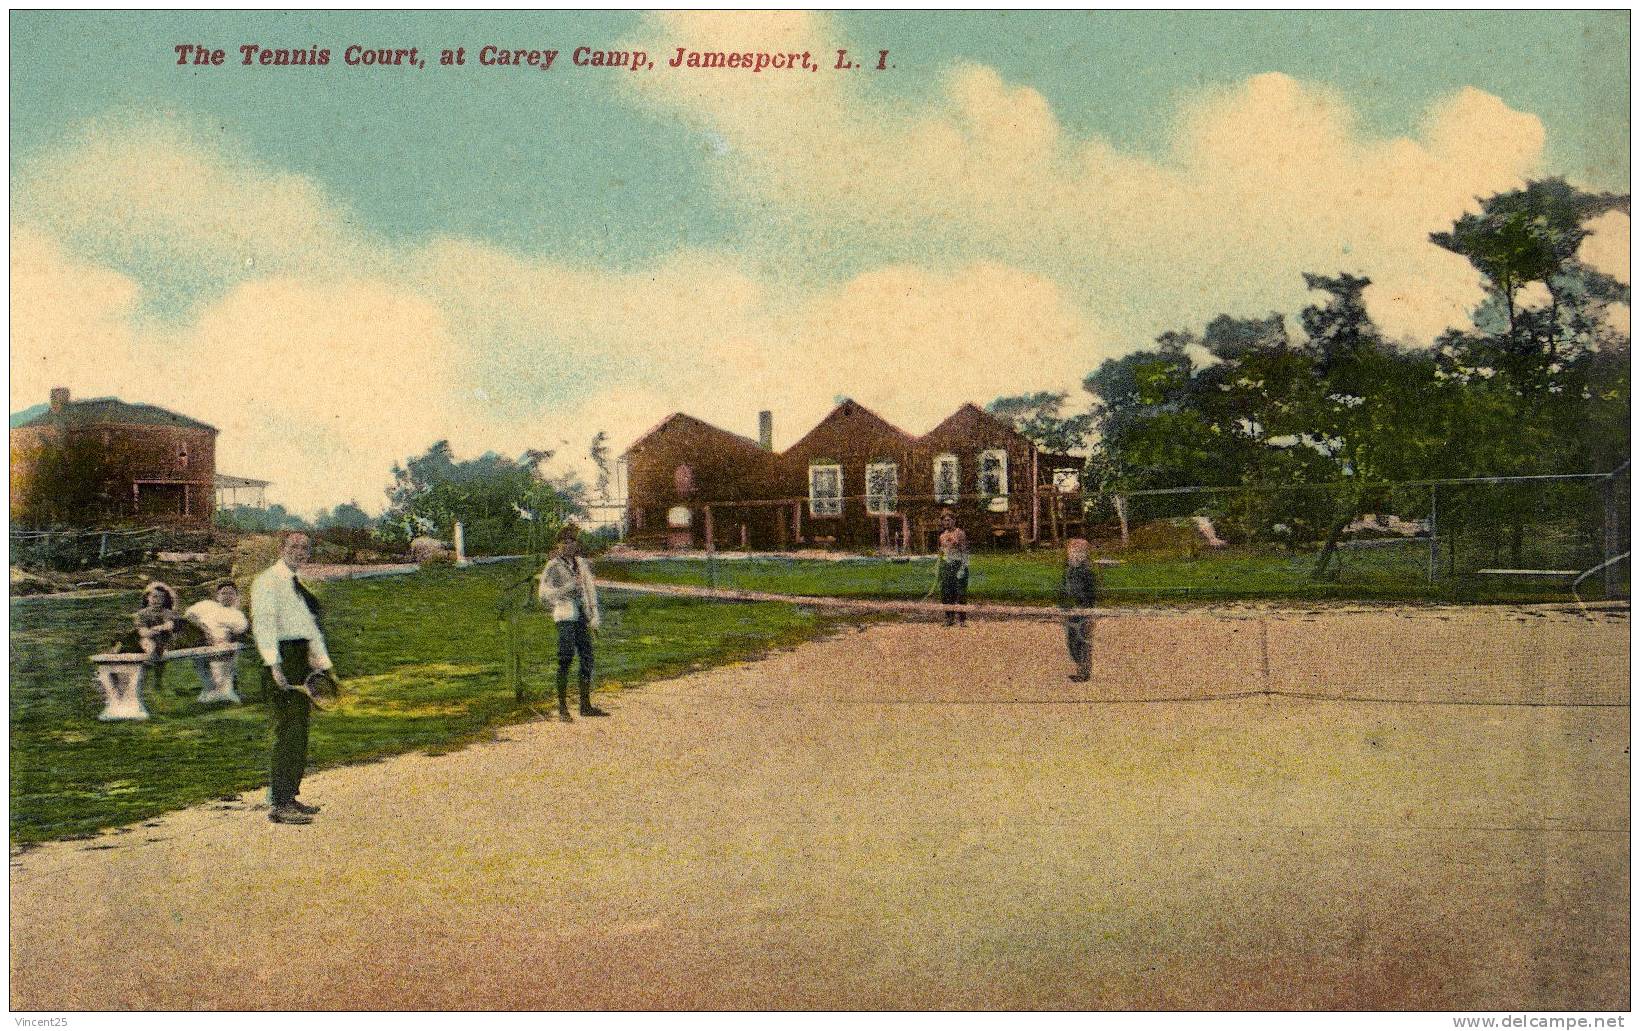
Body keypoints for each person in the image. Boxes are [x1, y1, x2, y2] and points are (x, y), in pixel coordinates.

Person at [251, 533, 333, 825]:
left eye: (305, 548)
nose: (300, 552)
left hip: (300, 660)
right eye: (294, 547)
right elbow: (264, 626)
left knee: (299, 731)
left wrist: (323, 664)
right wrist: (275, 666)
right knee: (288, 732)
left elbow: (309, 628)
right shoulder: (266, 582)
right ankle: (279, 803)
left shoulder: (296, 585)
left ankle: (290, 796)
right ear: (281, 549)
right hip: (281, 660)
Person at [538, 525, 607, 721]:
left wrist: (594, 614)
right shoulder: (553, 566)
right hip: (565, 615)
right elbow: (544, 595)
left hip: (582, 615)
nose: (568, 546)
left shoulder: (581, 564)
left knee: (587, 658)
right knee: (566, 658)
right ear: (558, 545)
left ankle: (585, 705)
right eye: (564, 542)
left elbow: (590, 590)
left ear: (576, 544)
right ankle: (562, 707)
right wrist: (567, 588)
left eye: (572, 542)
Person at [185, 583, 250, 704]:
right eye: (223, 593)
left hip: (223, 644)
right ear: (217, 596)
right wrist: (204, 629)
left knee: (224, 654)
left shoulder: (237, 614)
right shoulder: (208, 605)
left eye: (231, 593)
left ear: (236, 596)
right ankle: (211, 690)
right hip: (202, 641)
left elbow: (240, 630)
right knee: (202, 655)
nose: (227, 596)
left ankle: (223, 692)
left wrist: (223, 635)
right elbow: (189, 615)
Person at [1060, 537, 1098, 682]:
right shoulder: (1069, 570)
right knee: (1072, 641)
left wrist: (1085, 606)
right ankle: (1080, 666)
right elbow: (1063, 589)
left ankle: (1084, 671)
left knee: (1082, 640)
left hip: (1083, 611)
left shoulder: (1086, 572)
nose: (1075, 554)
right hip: (1071, 611)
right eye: (1073, 551)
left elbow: (1091, 593)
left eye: (1079, 552)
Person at [935, 509, 970, 627]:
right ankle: (949, 618)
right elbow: (943, 552)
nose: (947, 523)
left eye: (949, 520)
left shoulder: (959, 533)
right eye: (945, 521)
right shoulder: (942, 536)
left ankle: (962, 620)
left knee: (960, 593)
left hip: (959, 564)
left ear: (954, 521)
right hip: (947, 565)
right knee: (946, 593)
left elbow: (964, 551)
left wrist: (963, 567)